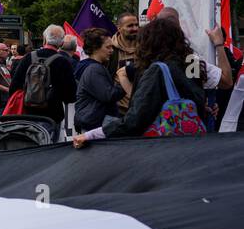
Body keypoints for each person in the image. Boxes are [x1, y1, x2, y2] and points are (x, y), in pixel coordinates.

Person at [75, 17, 208, 146]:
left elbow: (135, 120)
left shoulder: (156, 70)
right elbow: (199, 98)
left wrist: (90, 135)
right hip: (196, 138)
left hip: (165, 143)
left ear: (151, 41)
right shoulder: (193, 62)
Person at [5, 24, 78, 133]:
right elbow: (70, 96)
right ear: (61, 43)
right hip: (52, 115)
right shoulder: (63, 62)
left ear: (44, 39)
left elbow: (14, 86)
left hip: (28, 114)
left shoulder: (28, 57)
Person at [73, 27, 128, 132]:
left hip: (93, 124)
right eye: (108, 47)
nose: (111, 51)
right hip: (94, 125)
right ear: (95, 48)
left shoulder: (94, 67)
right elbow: (109, 95)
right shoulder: (94, 69)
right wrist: (126, 81)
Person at [106, 12, 140, 112]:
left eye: (136, 25)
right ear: (119, 28)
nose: (135, 28)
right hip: (119, 109)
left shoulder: (146, 47)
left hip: (142, 107)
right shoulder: (110, 49)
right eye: (130, 26)